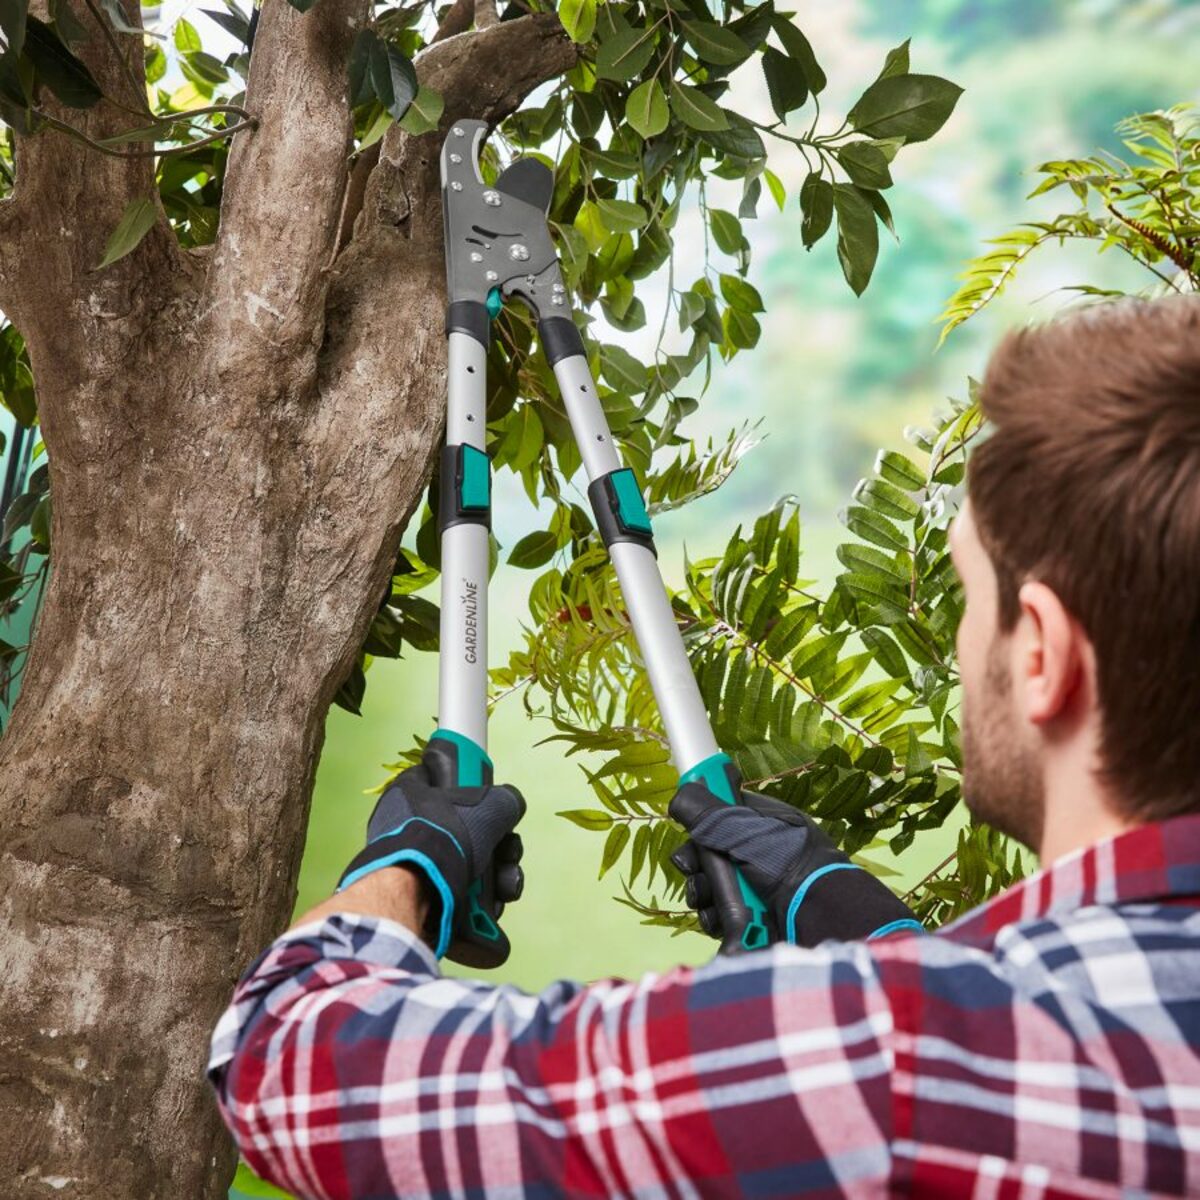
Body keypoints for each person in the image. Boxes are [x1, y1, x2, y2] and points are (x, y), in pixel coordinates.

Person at [209, 297, 1200, 1197]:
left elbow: (286, 1060)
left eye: (968, 596)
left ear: (1043, 655)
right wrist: (848, 911)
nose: (963, 637)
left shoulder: (888, 1061)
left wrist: (406, 868)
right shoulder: (1003, 1049)